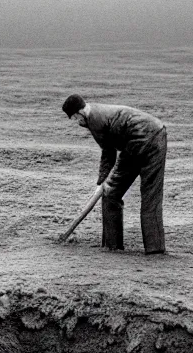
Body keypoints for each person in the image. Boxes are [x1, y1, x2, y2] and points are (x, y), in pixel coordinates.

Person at [63, 94, 167, 254]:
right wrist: (102, 182)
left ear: (78, 113)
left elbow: (108, 153)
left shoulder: (94, 120)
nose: (77, 123)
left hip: (138, 140)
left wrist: (103, 183)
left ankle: (112, 246)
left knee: (111, 192)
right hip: (158, 135)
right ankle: (155, 249)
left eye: (74, 118)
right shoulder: (96, 112)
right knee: (150, 197)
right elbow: (109, 151)